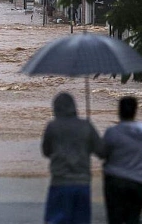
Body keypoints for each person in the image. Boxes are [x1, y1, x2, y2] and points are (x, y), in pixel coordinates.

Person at [42, 92, 104, 224]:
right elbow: (100, 151)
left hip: (59, 182)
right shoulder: (86, 126)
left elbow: (46, 151)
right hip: (82, 183)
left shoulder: (52, 126)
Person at [102, 97, 142, 224]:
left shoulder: (112, 132)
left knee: (115, 219)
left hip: (115, 181)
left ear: (119, 111)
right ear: (135, 111)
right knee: (133, 219)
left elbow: (103, 154)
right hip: (138, 181)